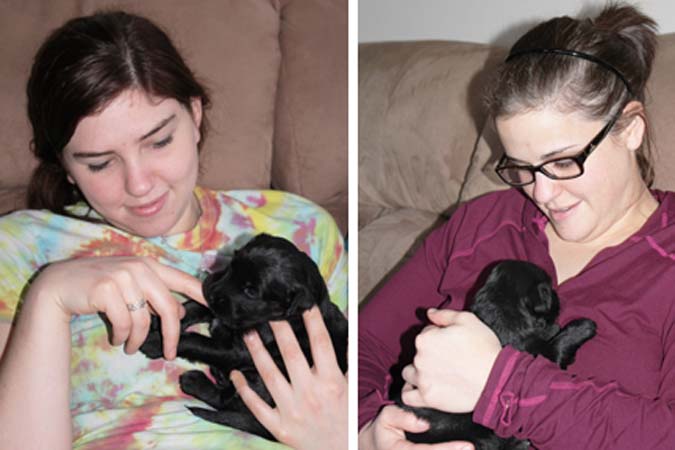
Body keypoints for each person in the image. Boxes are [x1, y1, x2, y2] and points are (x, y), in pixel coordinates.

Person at [0, 11, 347, 450]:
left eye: (159, 141)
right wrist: (49, 297)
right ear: (66, 167)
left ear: (195, 114)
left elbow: (356, 394)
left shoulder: (302, 228)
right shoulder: (19, 249)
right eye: (100, 163)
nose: (140, 184)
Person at [359, 3, 674, 449]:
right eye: (521, 168)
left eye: (563, 161)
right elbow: (363, 348)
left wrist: (499, 384)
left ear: (629, 129)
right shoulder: (482, 223)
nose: (541, 195)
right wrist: (368, 432)